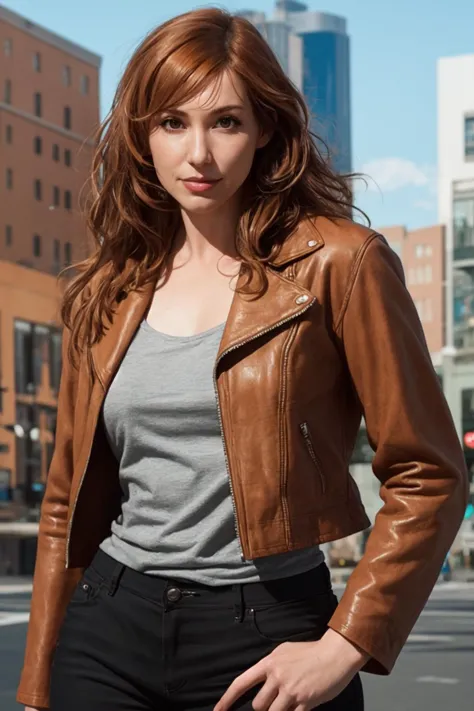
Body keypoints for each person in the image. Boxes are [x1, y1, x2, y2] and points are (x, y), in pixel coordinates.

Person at [17, 7, 468, 711]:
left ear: (264, 131)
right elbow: (62, 502)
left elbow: (429, 469)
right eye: (172, 122)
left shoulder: (340, 264)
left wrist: (343, 645)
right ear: (143, 136)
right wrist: (41, 681)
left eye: (225, 122)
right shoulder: (106, 288)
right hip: (109, 625)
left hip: (269, 629)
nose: (198, 152)